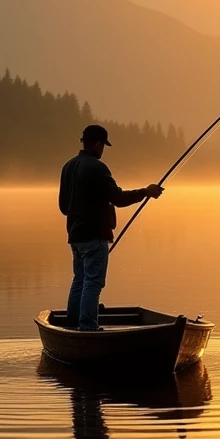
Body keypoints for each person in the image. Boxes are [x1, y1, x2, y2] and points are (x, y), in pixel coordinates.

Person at [58, 124, 163, 331]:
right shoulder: (97, 168)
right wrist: (146, 191)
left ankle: (72, 326)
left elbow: (63, 207)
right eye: (103, 145)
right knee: (93, 283)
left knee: (79, 280)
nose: (103, 150)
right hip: (94, 236)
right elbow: (118, 198)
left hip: (76, 236)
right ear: (97, 144)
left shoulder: (68, 166)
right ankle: (87, 327)